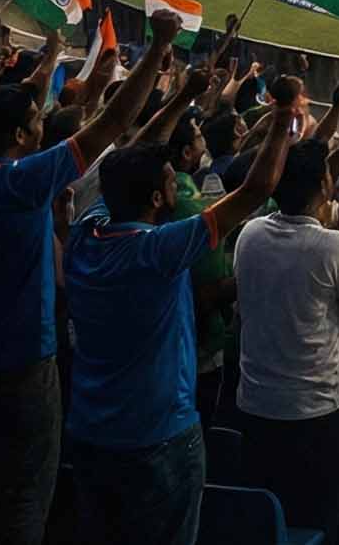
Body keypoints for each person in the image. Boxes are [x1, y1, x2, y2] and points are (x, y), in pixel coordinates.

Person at [0, 8, 177, 545]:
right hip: (18, 369)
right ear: (20, 135)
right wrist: (157, 47)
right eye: (36, 119)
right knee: (21, 502)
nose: (44, 124)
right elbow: (114, 123)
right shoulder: (24, 184)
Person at [61, 76, 294, 545]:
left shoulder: (86, 233)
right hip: (158, 436)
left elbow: (131, 159)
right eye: (170, 181)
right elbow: (257, 189)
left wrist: (184, 95)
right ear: (156, 198)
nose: (176, 185)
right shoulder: (159, 249)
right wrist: (285, 111)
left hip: (90, 432)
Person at [230, 139, 339, 538]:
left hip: (257, 404)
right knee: (316, 518)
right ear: (324, 185)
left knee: (266, 520)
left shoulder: (250, 234)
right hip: (317, 412)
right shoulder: (334, 246)